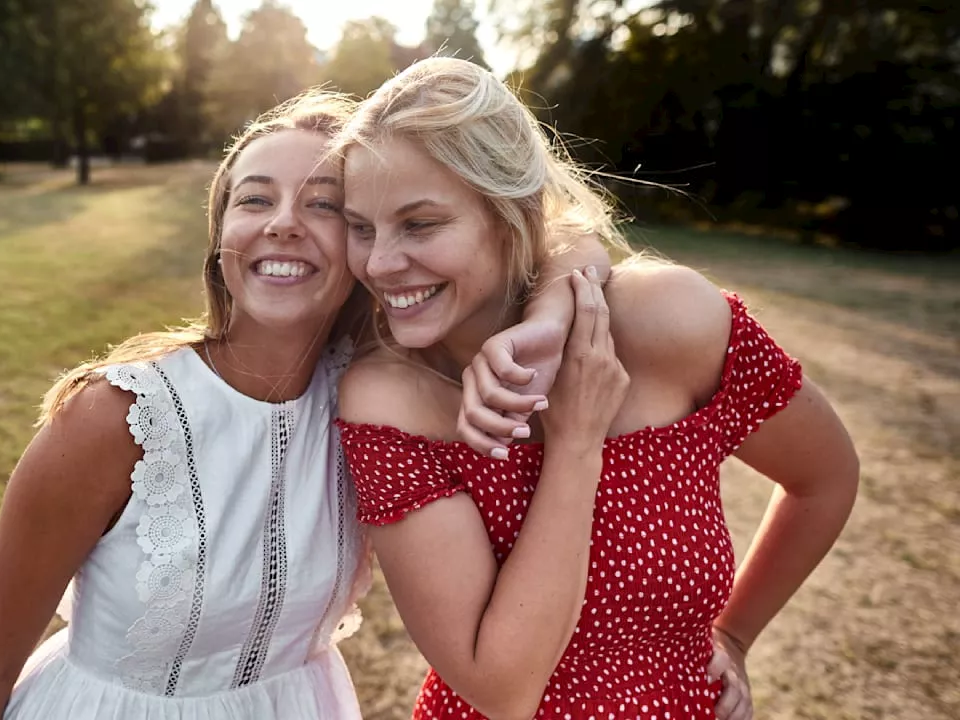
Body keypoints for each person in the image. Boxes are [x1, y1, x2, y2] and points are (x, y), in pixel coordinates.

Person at [0, 89, 610, 720]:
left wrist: (545, 321)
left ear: (366, 243)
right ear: (221, 235)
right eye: (255, 200)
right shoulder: (115, 418)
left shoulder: (375, 395)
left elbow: (570, 237)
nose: (284, 224)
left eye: (322, 205)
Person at [335, 57, 860, 720]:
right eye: (361, 227)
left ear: (510, 212)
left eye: (419, 224)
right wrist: (577, 443)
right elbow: (503, 689)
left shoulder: (669, 321)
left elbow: (826, 477)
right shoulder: (388, 400)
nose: (379, 264)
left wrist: (733, 633)